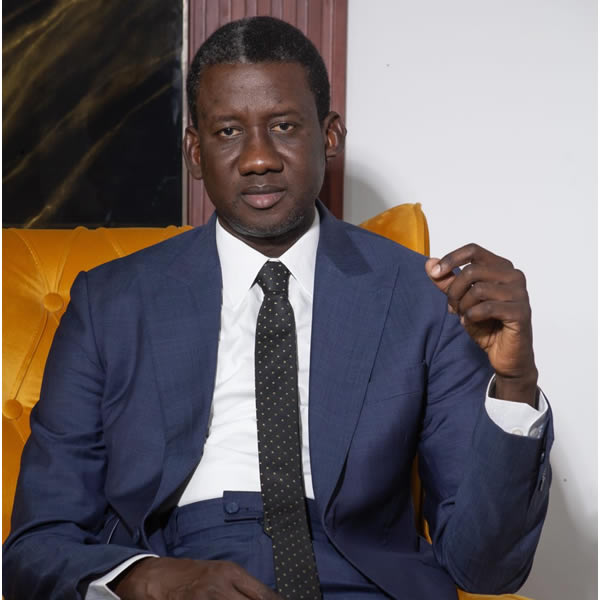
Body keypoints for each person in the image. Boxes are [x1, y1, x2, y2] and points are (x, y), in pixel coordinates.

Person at [3, 16, 552, 600]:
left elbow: (485, 567)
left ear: (330, 136)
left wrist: (515, 383)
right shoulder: (110, 304)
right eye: (228, 132)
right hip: (179, 568)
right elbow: (37, 547)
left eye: (284, 126)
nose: (258, 159)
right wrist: (148, 578)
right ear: (195, 151)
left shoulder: (422, 300)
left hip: (361, 579)